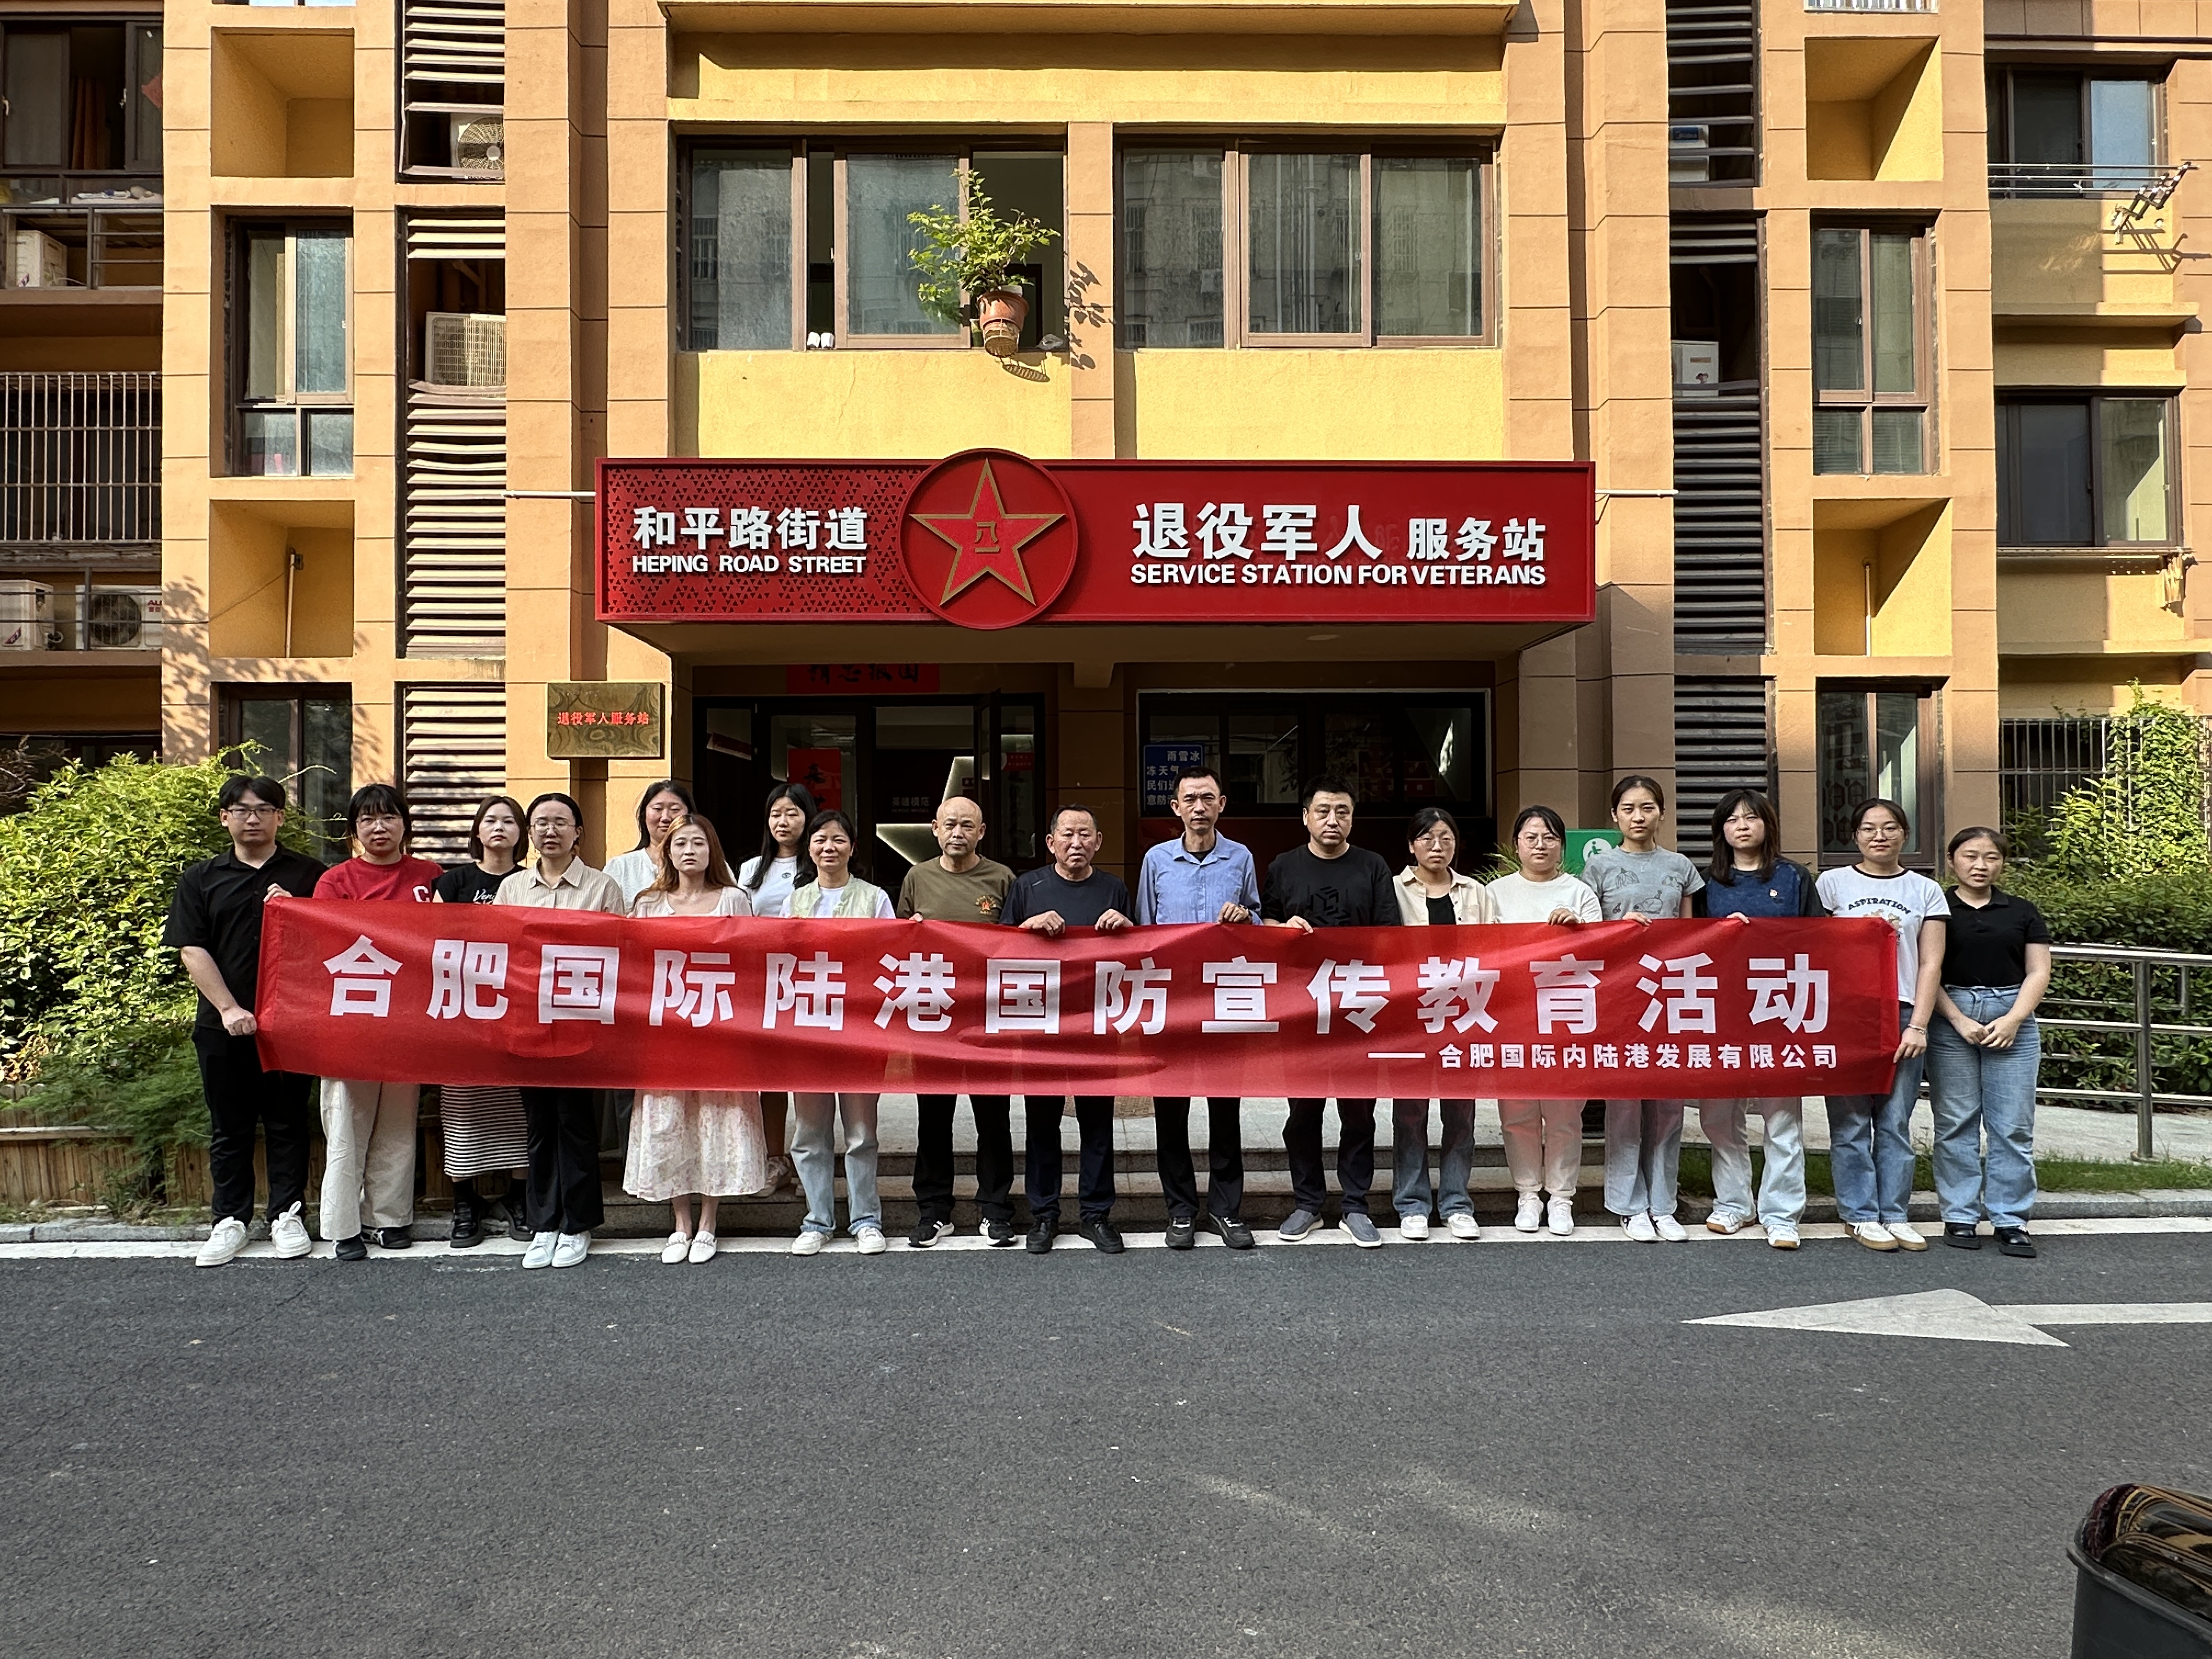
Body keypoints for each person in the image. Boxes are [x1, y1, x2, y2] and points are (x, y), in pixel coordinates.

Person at [164, 775, 327, 1267]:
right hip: (222, 1026)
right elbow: (192, 949)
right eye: (241, 810)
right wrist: (229, 1008)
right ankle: (229, 1220)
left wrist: (298, 912)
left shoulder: (309, 875)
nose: (251, 818)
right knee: (229, 1127)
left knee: (288, 1123)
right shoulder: (201, 878)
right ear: (225, 818)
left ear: (280, 817)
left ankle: (287, 1214)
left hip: (290, 1025)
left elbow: (333, 944)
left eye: (263, 809)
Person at [1263, 775, 1401, 1248]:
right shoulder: (1283, 866)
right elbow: (1265, 920)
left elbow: (1390, 933)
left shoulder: (1373, 866)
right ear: (1305, 817)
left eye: (1342, 811)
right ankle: (1308, 1203)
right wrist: (1281, 928)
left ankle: (1355, 1205)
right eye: (1322, 811)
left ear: (1352, 818)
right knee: (1303, 1111)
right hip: (1301, 1007)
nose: (1332, 820)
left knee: (1359, 1112)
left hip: (1358, 1007)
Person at [624, 814, 764, 1265]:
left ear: (712, 851)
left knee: (715, 1120)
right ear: (666, 851)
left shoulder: (733, 899)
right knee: (669, 1123)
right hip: (665, 1032)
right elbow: (631, 966)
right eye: (680, 843)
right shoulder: (647, 904)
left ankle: (708, 1222)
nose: (689, 851)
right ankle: (680, 1222)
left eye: (698, 843)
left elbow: (751, 963)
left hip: (720, 1030)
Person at [496, 792, 627, 1268]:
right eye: (541, 823)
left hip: (580, 1022)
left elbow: (619, 951)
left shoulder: (602, 887)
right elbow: (499, 951)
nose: (550, 831)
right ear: (530, 832)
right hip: (527, 1022)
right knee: (538, 1124)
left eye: (560, 822)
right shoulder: (512, 888)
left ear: (578, 834)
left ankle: (578, 1225)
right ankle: (544, 1223)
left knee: (575, 1123)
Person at [312, 783, 443, 1260]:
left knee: (397, 1125)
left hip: (409, 1019)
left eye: (389, 817)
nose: (379, 827)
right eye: (367, 819)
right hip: (352, 1020)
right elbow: (320, 944)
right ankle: (343, 1225)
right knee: (347, 1124)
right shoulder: (335, 881)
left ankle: (388, 1220)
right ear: (354, 830)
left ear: (406, 825)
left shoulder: (431, 877)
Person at [1135, 765, 1260, 1251]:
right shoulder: (1156, 860)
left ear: (1222, 804)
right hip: (1171, 1005)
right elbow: (1144, 931)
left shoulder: (1241, 857)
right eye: (1190, 799)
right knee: (1171, 1112)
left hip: (1226, 1002)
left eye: (1208, 798)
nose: (1199, 807)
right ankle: (1181, 1210)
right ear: (1176, 808)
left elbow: (1258, 920)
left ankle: (1226, 1210)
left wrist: (1245, 916)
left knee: (1225, 1111)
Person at [1691, 789, 1822, 1250]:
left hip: (1780, 1009)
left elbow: (1819, 939)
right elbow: (1689, 944)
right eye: (1732, 820)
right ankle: (1734, 1204)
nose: (1742, 826)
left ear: (1768, 824)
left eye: (1751, 818)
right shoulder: (1706, 882)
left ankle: (1781, 1213)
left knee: (1781, 1115)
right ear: (1721, 830)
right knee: (1719, 1116)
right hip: (1721, 1009)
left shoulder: (1794, 877)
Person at [1002, 805, 1135, 1255]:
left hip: (1097, 1024)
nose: (1076, 843)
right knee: (1042, 1123)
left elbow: (1141, 953)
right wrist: (1028, 926)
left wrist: (1127, 927)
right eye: (1067, 834)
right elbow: (998, 948)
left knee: (1098, 1124)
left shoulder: (1114, 889)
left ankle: (1096, 1215)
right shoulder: (1028, 887)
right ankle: (1045, 1214)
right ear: (1050, 842)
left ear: (1098, 842)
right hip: (1042, 1023)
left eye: (1085, 834)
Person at [1817, 798, 1947, 1254]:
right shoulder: (1831, 884)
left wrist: (1920, 1025)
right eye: (1869, 828)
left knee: (1894, 1121)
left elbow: (1930, 963)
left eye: (1890, 828)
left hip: (1903, 1010)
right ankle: (1859, 1214)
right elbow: (1816, 948)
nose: (1880, 836)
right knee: (1850, 1121)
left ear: (1904, 835)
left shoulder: (1925, 890)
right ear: (1855, 836)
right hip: (1846, 1013)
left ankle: (1895, 1213)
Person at [1583, 775, 1703, 1244]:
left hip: (1670, 992)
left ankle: (1663, 1203)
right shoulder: (1598, 868)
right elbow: (1590, 935)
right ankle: (1628, 1204)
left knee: (1668, 1105)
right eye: (1629, 808)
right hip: (1620, 994)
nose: (1639, 816)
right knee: (1625, 1104)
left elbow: (1690, 935)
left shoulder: (1681, 866)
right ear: (1615, 816)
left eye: (1648, 807)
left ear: (1662, 813)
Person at [895, 795, 1017, 1248]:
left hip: (988, 1018)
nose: (958, 833)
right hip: (934, 1016)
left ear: (981, 832)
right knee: (933, 1118)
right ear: (935, 829)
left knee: (994, 1119)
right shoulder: (917, 877)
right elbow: (898, 944)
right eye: (950, 825)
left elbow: (1017, 946)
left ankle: (995, 1209)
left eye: (967, 825)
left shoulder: (1002, 878)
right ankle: (934, 1211)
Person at [1928, 827, 2051, 1259]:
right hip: (1952, 1015)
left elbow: (2038, 971)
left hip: (2012, 1014)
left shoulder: (2022, 911)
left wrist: (2014, 1019)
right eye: (1970, 856)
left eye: (1991, 857)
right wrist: (1958, 1019)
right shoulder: (1936, 908)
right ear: (1951, 860)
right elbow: (1926, 970)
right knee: (1955, 1121)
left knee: (2012, 1125)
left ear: (2002, 863)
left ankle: (2010, 1219)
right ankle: (1959, 1214)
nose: (1980, 865)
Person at [1485, 805, 1601, 1236]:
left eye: (1549, 837)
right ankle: (1528, 1194)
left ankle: (1562, 1197)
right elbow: (1481, 954)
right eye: (1531, 837)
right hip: (1512, 1016)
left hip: (1566, 1017)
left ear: (1562, 846)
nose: (1540, 845)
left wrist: (1578, 929)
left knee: (1564, 1112)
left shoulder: (1580, 893)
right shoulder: (1495, 893)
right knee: (1517, 1111)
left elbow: (1603, 955)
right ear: (1516, 845)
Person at [786, 808, 892, 1256]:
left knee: (861, 1132)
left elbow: (890, 957)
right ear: (809, 848)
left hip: (860, 1030)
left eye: (838, 839)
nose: (829, 847)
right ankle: (818, 1220)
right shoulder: (794, 902)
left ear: (852, 847)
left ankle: (866, 1219)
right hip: (808, 1030)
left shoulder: (875, 898)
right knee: (810, 1133)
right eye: (820, 840)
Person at [1389, 806, 1497, 1242]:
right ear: (1411, 845)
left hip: (1464, 1014)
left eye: (1446, 838)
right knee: (1410, 1113)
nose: (1437, 846)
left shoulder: (1476, 892)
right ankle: (1412, 1203)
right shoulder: (1393, 889)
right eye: (1427, 838)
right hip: (1411, 1017)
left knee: (1461, 1113)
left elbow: (1499, 947)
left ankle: (1456, 1202)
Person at [431, 794, 533, 1249]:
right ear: (477, 830)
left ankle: (518, 1197)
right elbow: (429, 939)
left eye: (509, 821)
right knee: (461, 1103)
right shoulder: (452, 882)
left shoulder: (530, 882)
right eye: (490, 820)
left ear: (521, 832)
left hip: (518, 1008)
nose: (499, 828)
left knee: (518, 1104)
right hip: (461, 1007)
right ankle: (465, 1201)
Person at [738, 781, 817, 1199]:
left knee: (807, 1077)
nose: (783, 822)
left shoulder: (820, 862)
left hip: (810, 981)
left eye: (792, 813)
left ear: (808, 817)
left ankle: (811, 1161)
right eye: (775, 814)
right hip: (764, 983)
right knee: (768, 1077)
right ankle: (775, 1159)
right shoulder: (751, 869)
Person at [603, 778, 697, 905]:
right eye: (658, 809)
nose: (665, 818)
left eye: (675, 810)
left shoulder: (708, 864)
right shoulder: (621, 867)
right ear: (644, 815)